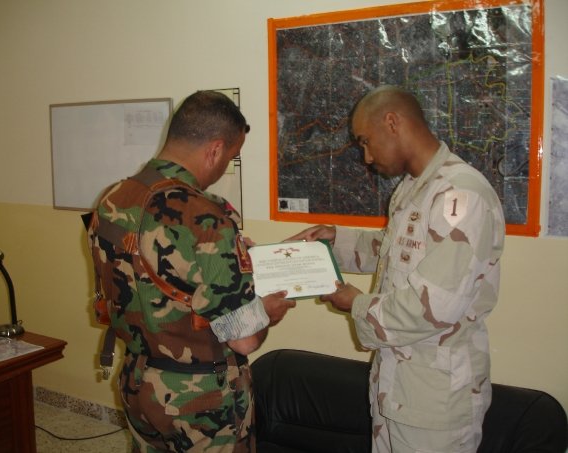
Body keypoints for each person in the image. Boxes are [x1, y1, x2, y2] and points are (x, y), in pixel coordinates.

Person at [289, 85, 505, 453]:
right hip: (396, 388)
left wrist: (355, 303)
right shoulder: (414, 188)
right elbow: (395, 251)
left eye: (365, 141)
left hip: (435, 403)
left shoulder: (460, 195)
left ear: (392, 122)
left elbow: (433, 306)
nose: (367, 157)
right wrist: (333, 241)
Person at [87, 90, 296, 452]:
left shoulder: (112, 198)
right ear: (215, 150)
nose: (224, 166)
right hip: (201, 401)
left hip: (138, 384)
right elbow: (244, 340)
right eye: (230, 157)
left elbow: (153, 269)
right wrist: (266, 312)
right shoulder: (206, 218)